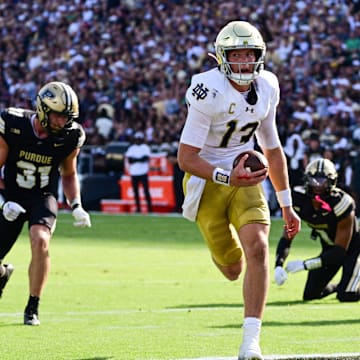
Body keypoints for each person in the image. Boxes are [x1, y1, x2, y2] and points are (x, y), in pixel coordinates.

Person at [177, 21, 301, 360]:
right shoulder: (207, 89)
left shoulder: (268, 86)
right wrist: (224, 176)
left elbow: (272, 149)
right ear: (222, 57)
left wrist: (286, 204)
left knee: (259, 248)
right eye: (237, 55)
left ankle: (250, 341)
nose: (245, 62)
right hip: (207, 181)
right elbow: (186, 158)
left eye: (250, 54)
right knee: (232, 269)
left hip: (245, 171)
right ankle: (224, 255)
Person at [0, 81, 92, 326]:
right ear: (42, 109)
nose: (63, 122)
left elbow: (69, 174)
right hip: (10, 195)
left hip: (42, 196)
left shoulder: (72, 135)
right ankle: (3, 274)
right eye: (58, 116)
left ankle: (33, 306)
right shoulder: (13, 123)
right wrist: (3, 201)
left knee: (40, 240)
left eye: (67, 117)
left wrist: (76, 205)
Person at [274, 158, 360, 302]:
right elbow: (287, 236)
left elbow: (339, 252)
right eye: (314, 180)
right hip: (329, 250)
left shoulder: (342, 203)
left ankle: (347, 287)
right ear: (307, 180)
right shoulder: (298, 199)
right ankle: (341, 286)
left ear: (332, 181)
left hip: (353, 250)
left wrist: (305, 265)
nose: (318, 185)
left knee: (347, 296)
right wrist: (278, 265)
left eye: (323, 181)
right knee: (310, 294)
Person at [125, 131, 152, 213]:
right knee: (135, 191)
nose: (138, 140)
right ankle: (138, 208)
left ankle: (149, 208)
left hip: (143, 172)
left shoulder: (145, 147)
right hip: (134, 173)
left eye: (139, 139)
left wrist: (136, 159)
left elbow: (146, 158)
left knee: (146, 190)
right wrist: (139, 159)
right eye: (137, 139)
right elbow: (130, 160)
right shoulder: (131, 148)